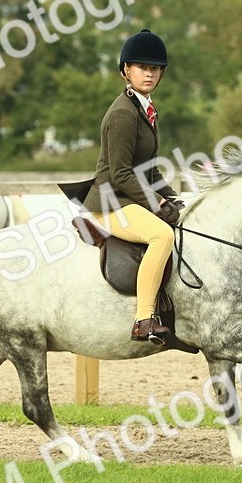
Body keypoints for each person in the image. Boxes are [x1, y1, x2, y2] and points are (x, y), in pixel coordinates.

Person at [79, 29, 183, 345]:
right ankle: (143, 320)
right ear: (126, 70)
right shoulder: (124, 113)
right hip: (109, 200)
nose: (149, 73)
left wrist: (173, 196)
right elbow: (122, 174)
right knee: (161, 234)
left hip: (127, 197)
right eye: (142, 67)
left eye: (154, 68)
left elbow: (147, 169)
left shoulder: (146, 109)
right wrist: (158, 204)